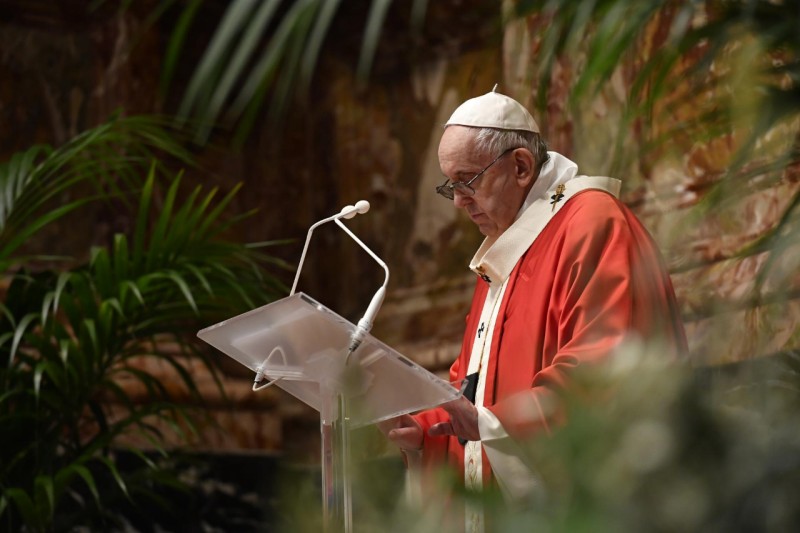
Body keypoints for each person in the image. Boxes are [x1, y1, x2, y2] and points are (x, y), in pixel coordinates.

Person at [381, 86, 687, 530]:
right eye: (451, 186)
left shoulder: (591, 224)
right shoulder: (505, 253)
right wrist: (425, 429)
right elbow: (473, 385)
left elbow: (604, 372)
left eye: (467, 180)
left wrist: (490, 423)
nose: (459, 201)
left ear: (521, 166)